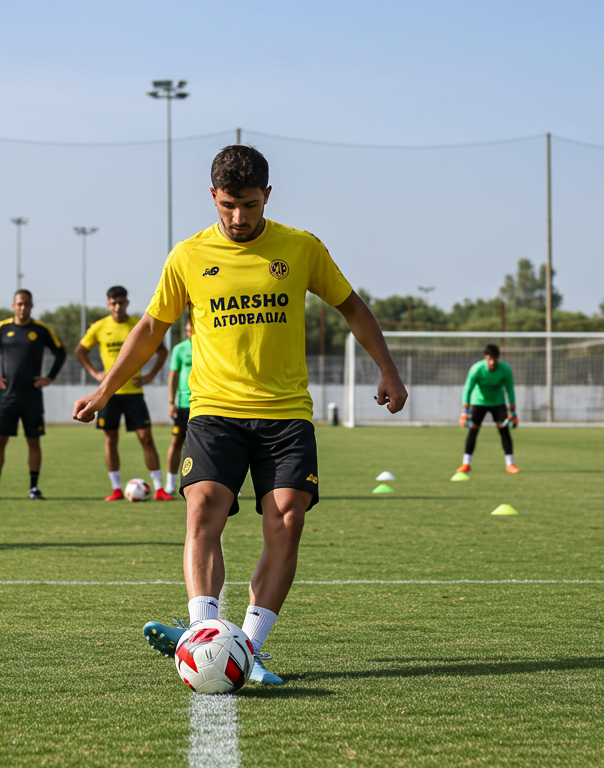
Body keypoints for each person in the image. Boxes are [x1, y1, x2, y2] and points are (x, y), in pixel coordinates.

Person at [72, 145, 407, 685]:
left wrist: (387, 369)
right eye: (228, 205)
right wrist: (106, 389)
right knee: (203, 507)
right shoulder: (188, 255)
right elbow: (151, 327)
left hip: (285, 413)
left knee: (288, 519)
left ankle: (246, 648)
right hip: (214, 411)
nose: (238, 217)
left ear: (267, 196)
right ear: (213, 196)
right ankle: (203, 633)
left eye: (249, 205)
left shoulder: (301, 247)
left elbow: (351, 305)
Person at [76, 286, 171, 501]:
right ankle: (117, 488)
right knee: (111, 438)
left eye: (121, 302)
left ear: (127, 303)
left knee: (146, 437)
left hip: (133, 392)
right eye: (114, 303)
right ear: (108, 304)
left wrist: (150, 375)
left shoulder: (138, 325)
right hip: (108, 395)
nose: (118, 307)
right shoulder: (99, 327)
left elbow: (162, 351)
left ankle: (159, 488)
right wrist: (95, 373)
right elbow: (80, 351)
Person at [0, 289, 65, 500]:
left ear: (31, 306)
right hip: (7, 396)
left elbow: (61, 353)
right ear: (13, 306)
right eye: (19, 303)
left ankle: (34, 488)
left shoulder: (42, 330)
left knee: (33, 441)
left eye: (26, 303)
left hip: (32, 396)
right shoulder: (2, 328)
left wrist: (49, 378)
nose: (22, 307)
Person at [457, 344, 520, 474]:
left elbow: (509, 389)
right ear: (486, 357)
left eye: (495, 359)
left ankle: (510, 464)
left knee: (504, 429)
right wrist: (464, 410)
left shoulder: (505, 369)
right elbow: (468, 388)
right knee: (473, 429)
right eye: (490, 359)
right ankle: (466, 464)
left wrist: (513, 410)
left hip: (498, 401)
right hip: (478, 401)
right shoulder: (477, 369)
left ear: (498, 358)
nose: (492, 362)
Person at [164, 316, 194, 496]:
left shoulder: (210, 346)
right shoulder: (180, 349)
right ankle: (170, 483)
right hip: (184, 404)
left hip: (207, 403)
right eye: (188, 330)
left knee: (215, 445)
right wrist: (171, 402)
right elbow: (173, 376)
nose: (190, 332)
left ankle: (226, 485)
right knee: (177, 442)